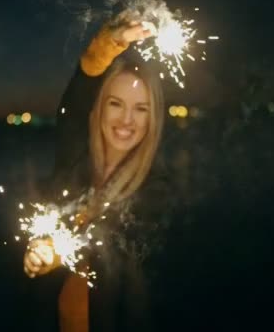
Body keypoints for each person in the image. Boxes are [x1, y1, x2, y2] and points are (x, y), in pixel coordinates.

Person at [23, 18, 174, 332]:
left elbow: (112, 240)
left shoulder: (156, 189)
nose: (126, 120)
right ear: (99, 109)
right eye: (116, 104)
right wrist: (110, 42)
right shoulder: (75, 162)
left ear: (153, 119)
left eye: (141, 108)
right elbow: (76, 99)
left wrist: (56, 250)